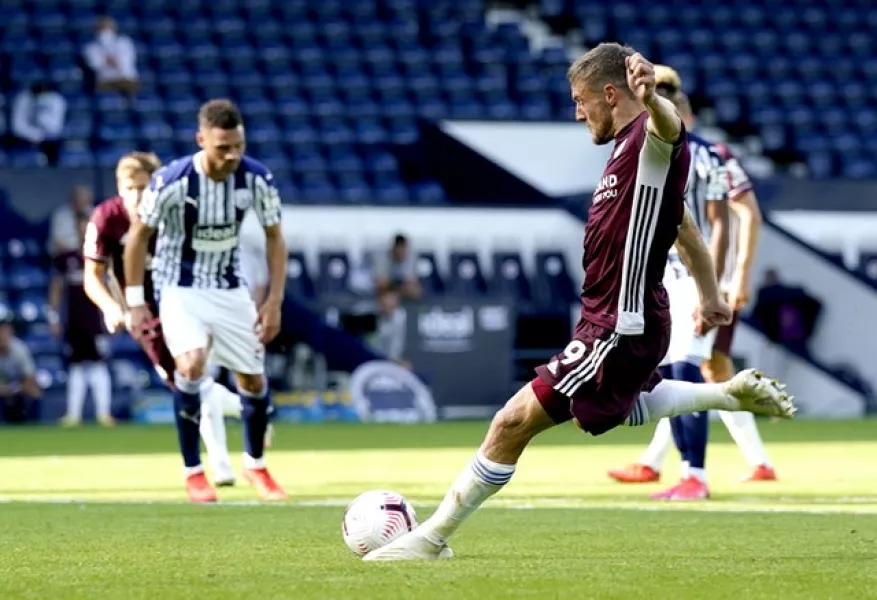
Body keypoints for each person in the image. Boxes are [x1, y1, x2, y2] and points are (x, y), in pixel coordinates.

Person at [362, 44, 795, 562]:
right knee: (611, 406)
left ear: (611, 94)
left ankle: (431, 539)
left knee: (511, 422)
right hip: (616, 319)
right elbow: (685, 228)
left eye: (580, 100)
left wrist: (653, 98)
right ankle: (726, 395)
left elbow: (671, 130)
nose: (576, 111)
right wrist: (709, 294)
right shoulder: (624, 155)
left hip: (620, 323)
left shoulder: (651, 139)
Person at [608, 65, 777, 488]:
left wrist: (724, 282)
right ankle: (737, 462)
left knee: (689, 370)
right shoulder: (646, 152)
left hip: (695, 281)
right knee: (690, 371)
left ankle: (693, 473)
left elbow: (731, 217)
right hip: (667, 280)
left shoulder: (709, 154)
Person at [123, 99, 287, 503]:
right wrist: (135, 300)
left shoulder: (256, 179)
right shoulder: (171, 181)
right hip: (178, 287)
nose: (232, 155)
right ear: (201, 140)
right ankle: (194, 472)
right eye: (222, 148)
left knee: (252, 379)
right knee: (192, 363)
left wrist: (274, 301)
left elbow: (275, 237)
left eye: (238, 146)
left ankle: (256, 464)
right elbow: (138, 237)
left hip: (230, 287)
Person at [83, 151, 241, 492]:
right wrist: (112, 308)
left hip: (182, 296)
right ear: (118, 188)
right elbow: (92, 276)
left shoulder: (175, 210)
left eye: (144, 187)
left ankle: (218, 464)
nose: (137, 196)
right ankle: (249, 413)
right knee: (184, 380)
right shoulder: (105, 218)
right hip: (142, 308)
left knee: (191, 375)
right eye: (130, 188)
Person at [50, 213, 114, 427]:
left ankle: (104, 414)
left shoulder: (101, 256)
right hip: (73, 323)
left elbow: (112, 285)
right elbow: (56, 288)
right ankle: (73, 415)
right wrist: (54, 316)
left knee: (98, 365)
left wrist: (113, 311)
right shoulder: (66, 259)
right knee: (76, 367)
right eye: (80, 228)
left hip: (96, 323)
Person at [10, 80, 66, 167]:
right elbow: (17, 126)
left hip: (50, 140)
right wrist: (35, 135)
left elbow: (55, 128)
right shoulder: (23, 99)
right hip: (25, 139)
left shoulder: (56, 99)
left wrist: (42, 119)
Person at [0, 308, 42, 423]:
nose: (1, 335)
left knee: (34, 391)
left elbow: (30, 377)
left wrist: (14, 388)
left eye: (4, 330)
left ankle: (33, 425)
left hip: (17, 387)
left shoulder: (20, 349)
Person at [82, 17, 139, 97]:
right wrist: (107, 62)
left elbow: (127, 61)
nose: (105, 31)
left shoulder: (124, 42)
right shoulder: (91, 47)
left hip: (126, 79)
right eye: (101, 28)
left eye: (107, 27)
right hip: (105, 80)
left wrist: (110, 61)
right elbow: (95, 64)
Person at [373, 234, 422, 300]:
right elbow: (381, 281)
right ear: (394, 248)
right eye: (399, 249)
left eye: (403, 250)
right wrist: (395, 289)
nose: (402, 252)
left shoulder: (411, 257)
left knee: (415, 291)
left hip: (399, 288)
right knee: (384, 292)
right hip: (387, 290)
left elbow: (411, 282)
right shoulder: (382, 257)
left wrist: (398, 290)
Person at [49, 185, 93, 256]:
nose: (83, 205)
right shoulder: (60, 215)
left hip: (88, 254)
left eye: (85, 202)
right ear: (73, 199)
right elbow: (58, 242)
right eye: (80, 201)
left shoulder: (94, 213)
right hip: (63, 256)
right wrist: (79, 247)